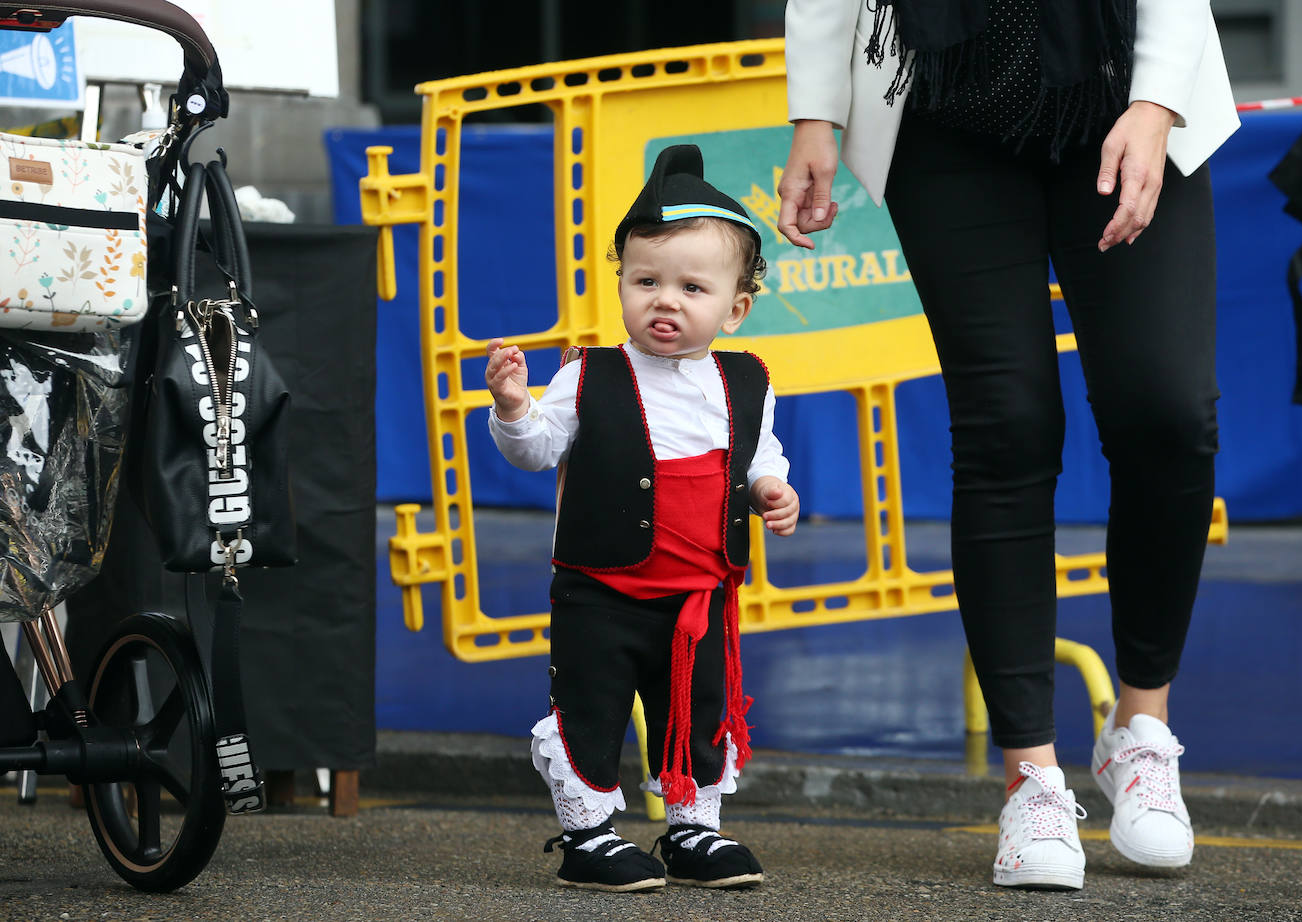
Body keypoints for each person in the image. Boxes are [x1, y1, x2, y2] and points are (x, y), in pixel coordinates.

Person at [779, 0, 1239, 891]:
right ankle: (1031, 777)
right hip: (945, 102)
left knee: (1169, 414)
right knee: (1006, 426)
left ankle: (1139, 733)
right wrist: (815, 113)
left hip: (1127, 89)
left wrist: (1154, 108)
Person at [485, 144, 800, 893]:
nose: (666, 300)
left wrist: (771, 489)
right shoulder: (587, 375)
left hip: (701, 594)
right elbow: (536, 450)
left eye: (693, 287)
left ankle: (694, 828)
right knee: (591, 708)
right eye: (646, 281)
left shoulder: (745, 380)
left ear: (736, 307)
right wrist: (512, 407)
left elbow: (759, 455)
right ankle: (588, 836)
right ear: (621, 284)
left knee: (695, 709)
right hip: (602, 589)